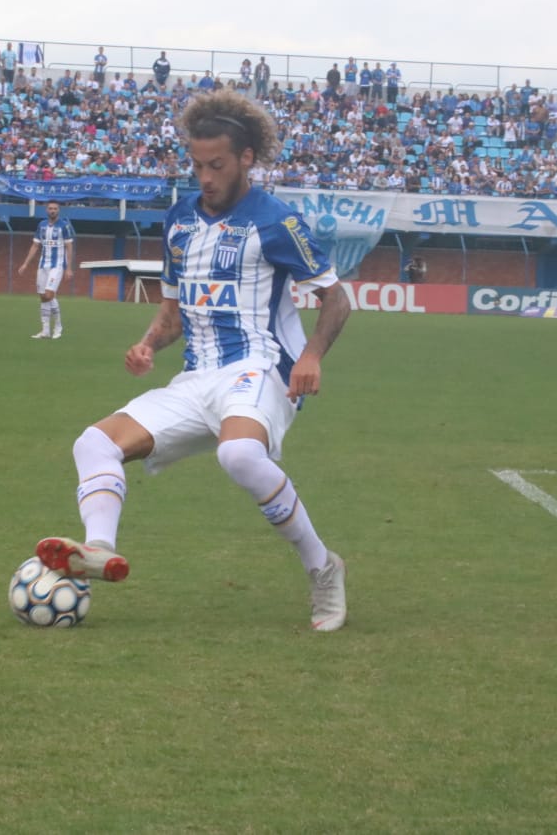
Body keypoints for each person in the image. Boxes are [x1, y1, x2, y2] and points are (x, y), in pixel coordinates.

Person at [32, 90, 353, 632]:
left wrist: (313, 356)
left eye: (217, 166)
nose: (205, 177)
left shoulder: (276, 221)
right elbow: (174, 311)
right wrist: (148, 344)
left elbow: (335, 298)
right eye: (197, 164)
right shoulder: (180, 220)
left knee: (240, 456)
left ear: (247, 158)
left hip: (258, 369)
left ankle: (323, 568)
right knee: (94, 443)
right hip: (196, 377)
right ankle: (97, 554)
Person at [16, 200, 75, 339]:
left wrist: (69, 268)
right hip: (43, 265)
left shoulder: (64, 226)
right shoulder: (41, 225)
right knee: (43, 297)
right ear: (46, 210)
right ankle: (45, 331)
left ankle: (58, 326)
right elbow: (35, 246)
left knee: (49, 294)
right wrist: (25, 264)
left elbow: (69, 247)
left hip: (57, 265)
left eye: (55, 208)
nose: (52, 210)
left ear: (58, 210)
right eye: (50, 208)